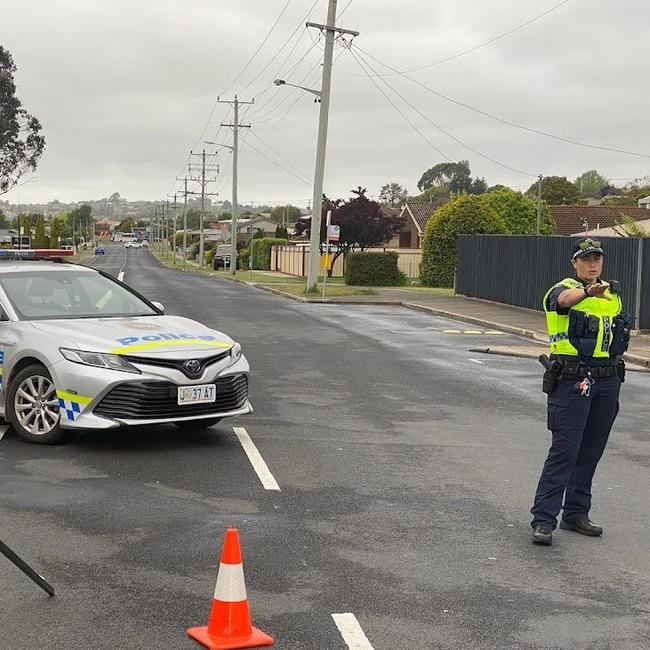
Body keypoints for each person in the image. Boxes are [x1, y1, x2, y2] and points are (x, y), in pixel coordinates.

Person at [531, 238, 630, 546]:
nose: (592, 263)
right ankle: (544, 519)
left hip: (607, 380)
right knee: (564, 451)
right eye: (586, 258)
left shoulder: (612, 296)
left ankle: (575, 513)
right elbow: (562, 302)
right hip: (573, 380)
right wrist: (587, 291)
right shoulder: (561, 289)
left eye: (597, 258)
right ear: (574, 262)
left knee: (591, 450)